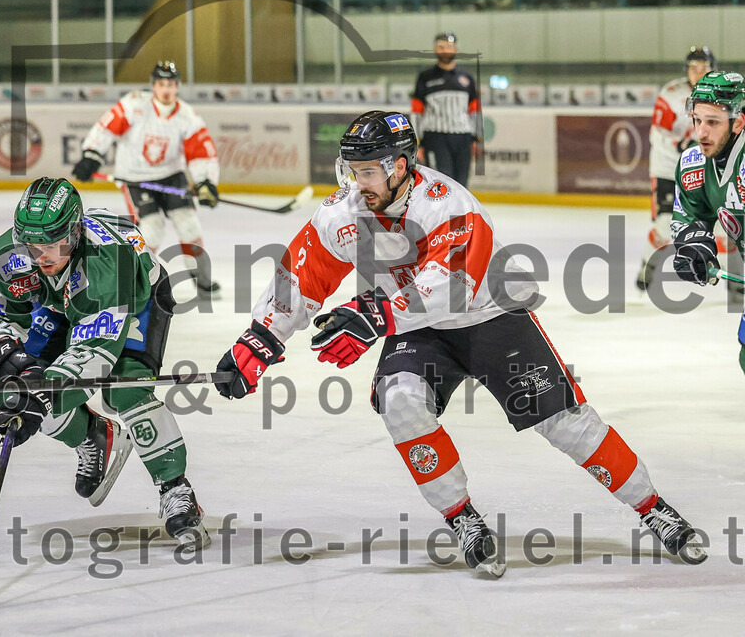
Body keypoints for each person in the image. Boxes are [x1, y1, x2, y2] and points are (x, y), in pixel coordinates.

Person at [215, 110, 708, 578]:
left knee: (566, 425)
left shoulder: (448, 203)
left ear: (400, 167)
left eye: (367, 173)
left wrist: (373, 315)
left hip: (490, 315)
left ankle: (652, 507)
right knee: (401, 402)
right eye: (351, 171)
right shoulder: (343, 211)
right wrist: (258, 340)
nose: (356, 185)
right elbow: (300, 275)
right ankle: (462, 517)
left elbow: (451, 286)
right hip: (414, 328)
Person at [0, 177, 211, 550]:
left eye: (56, 245)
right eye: (33, 247)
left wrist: (41, 397)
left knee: (125, 389)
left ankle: (174, 488)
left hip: (136, 301)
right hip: (65, 306)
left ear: (76, 232)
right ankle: (93, 436)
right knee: (4, 386)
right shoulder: (8, 257)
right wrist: (8, 350)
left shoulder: (108, 266)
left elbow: (91, 359)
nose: (44, 257)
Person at [74, 61, 222, 297]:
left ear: (178, 86)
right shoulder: (134, 104)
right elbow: (106, 128)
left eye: (171, 84)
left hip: (171, 176)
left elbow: (202, 153)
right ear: (153, 86)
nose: (166, 90)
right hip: (135, 178)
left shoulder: (187, 117)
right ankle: (137, 278)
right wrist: (91, 154)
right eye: (161, 84)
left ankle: (201, 279)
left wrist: (206, 182)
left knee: (189, 224)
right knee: (151, 229)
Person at [671, 71, 745, 372]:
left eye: (713, 122)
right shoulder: (696, 163)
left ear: (738, 122)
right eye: (697, 120)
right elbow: (690, 216)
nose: (701, 132)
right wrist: (695, 246)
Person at [636, 46, 716, 291]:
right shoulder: (672, 93)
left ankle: (732, 282)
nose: (698, 72)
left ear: (712, 69)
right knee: (664, 225)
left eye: (703, 67)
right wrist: (682, 145)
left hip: (703, 170)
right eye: (694, 68)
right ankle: (647, 266)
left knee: (726, 220)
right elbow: (657, 134)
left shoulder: (719, 93)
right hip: (668, 169)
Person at [410, 32, 481, 189]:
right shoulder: (425, 77)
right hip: (435, 138)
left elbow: (475, 111)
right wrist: (417, 143)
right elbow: (416, 112)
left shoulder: (467, 78)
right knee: (442, 182)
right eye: (441, 47)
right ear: (435, 49)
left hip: (463, 138)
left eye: (449, 47)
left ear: (455, 49)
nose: (445, 50)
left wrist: (477, 139)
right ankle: (440, 214)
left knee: (462, 185)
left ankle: (458, 214)